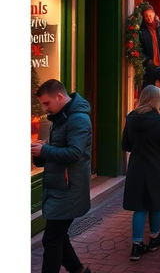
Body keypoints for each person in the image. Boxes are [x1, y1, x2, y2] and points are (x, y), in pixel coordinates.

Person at [32, 80, 92, 273]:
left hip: (69, 189)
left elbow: (75, 153)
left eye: (46, 103)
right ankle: (78, 270)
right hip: (60, 186)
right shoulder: (61, 117)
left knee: (51, 239)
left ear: (59, 96)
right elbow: (57, 150)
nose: (44, 109)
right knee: (58, 236)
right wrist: (40, 154)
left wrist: (44, 150)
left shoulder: (78, 119)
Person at [122, 85, 160, 262]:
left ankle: (136, 246)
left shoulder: (131, 118)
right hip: (156, 167)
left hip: (137, 166)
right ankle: (154, 238)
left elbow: (126, 145)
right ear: (158, 99)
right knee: (155, 203)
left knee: (139, 207)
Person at [139, 4, 160, 87]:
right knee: (150, 88)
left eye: (150, 15)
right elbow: (139, 49)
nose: (149, 18)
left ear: (154, 14)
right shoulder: (141, 30)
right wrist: (147, 60)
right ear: (143, 17)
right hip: (150, 66)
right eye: (146, 16)